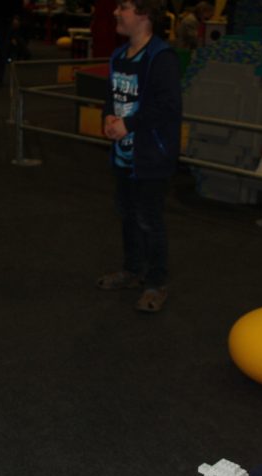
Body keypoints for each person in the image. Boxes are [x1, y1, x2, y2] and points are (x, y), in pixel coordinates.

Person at [98, 0, 182, 314]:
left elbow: (168, 107)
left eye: (124, 7)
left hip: (151, 157)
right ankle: (132, 270)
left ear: (144, 14)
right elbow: (112, 96)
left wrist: (129, 124)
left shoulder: (161, 57)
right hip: (124, 155)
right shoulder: (119, 55)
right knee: (127, 214)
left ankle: (156, 282)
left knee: (149, 220)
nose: (116, 12)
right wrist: (109, 117)